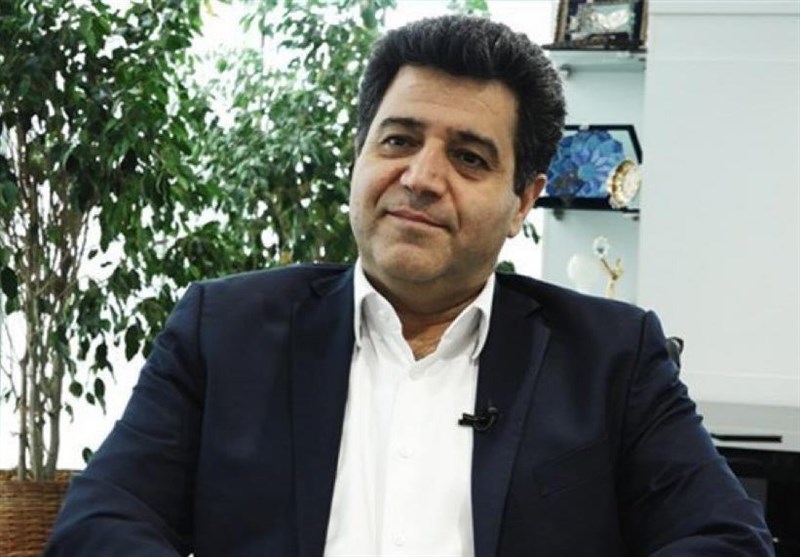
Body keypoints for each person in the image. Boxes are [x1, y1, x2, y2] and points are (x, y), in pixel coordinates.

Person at [46, 15, 773, 557]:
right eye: (398, 140)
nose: (421, 178)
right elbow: (102, 521)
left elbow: (728, 539)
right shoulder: (224, 328)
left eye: (469, 157)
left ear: (523, 201)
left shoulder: (612, 356)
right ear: (358, 157)